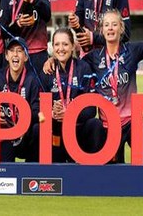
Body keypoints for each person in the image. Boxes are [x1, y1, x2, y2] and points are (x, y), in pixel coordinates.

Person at [83, 0, 143, 164]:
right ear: (102, 30)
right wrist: (51, 60)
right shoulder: (93, 58)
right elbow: (73, 67)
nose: (110, 28)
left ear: (121, 28)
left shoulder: (132, 51)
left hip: (131, 120)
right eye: (106, 25)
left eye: (114, 24)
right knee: (115, 168)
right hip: (109, 124)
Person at [42, 28, 104, 162]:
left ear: (72, 46)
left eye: (65, 44)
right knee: (40, 128)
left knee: (96, 125)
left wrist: (71, 113)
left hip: (78, 129)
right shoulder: (47, 71)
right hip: (57, 130)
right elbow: (38, 109)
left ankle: (94, 173)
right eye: (57, 44)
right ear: (52, 47)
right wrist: (51, 113)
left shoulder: (83, 68)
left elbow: (91, 109)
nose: (61, 48)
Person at [0, 0, 51, 84]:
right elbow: (3, 32)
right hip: (16, 54)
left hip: (37, 52)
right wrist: (18, 24)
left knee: (40, 94)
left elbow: (47, 15)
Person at [0, 37, 40, 162]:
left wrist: (22, 120)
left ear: (26, 57)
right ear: (6, 56)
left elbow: (37, 110)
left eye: (19, 51)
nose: (15, 54)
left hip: (26, 135)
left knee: (38, 129)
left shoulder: (33, 79)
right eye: (11, 51)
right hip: (6, 134)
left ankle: (33, 176)